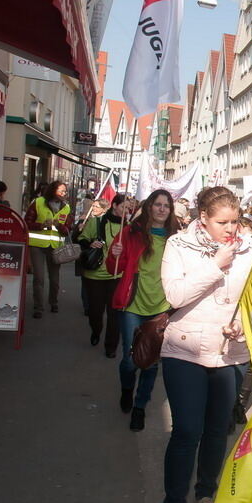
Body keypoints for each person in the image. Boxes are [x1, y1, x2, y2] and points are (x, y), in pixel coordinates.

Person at [158, 187, 252, 503]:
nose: (230, 229)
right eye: (222, 223)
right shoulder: (179, 246)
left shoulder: (250, 249)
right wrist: (216, 264)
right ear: (203, 218)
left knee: (218, 430)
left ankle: (205, 494)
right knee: (187, 431)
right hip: (184, 350)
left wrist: (244, 324)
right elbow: (175, 295)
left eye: (235, 221)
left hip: (229, 352)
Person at [105, 190, 179, 431]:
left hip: (161, 308)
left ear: (170, 210)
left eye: (166, 206)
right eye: (157, 204)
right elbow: (114, 267)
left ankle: (140, 407)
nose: (161, 209)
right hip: (133, 305)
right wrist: (114, 254)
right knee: (129, 360)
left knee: (149, 362)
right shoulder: (131, 232)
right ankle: (127, 388)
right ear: (149, 207)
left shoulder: (176, 238)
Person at [79, 194, 127, 358]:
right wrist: (90, 243)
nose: (126, 211)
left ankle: (111, 347)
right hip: (95, 275)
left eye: (129, 208)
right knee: (95, 312)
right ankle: (96, 330)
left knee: (115, 314)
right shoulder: (97, 222)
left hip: (117, 275)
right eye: (123, 207)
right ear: (114, 206)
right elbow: (81, 239)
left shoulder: (127, 227)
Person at [24, 181, 72, 319]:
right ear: (53, 190)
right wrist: (42, 225)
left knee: (54, 278)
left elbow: (68, 229)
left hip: (56, 246)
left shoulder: (66, 207)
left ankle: (53, 302)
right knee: (39, 278)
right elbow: (27, 222)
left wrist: (60, 226)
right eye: (61, 191)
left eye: (65, 191)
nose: (64, 194)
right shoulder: (38, 202)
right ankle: (38, 307)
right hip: (37, 244)